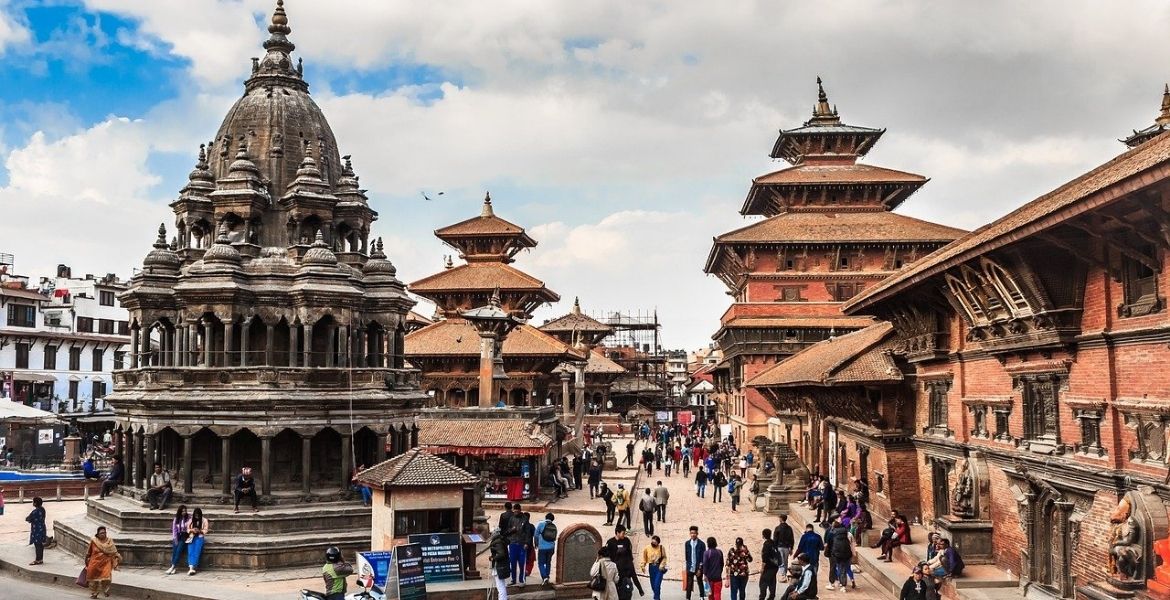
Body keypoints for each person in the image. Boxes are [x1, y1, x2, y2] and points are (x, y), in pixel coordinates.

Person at [605, 525, 643, 597]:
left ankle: (640, 589)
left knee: (630, 580)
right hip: (616, 568)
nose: (624, 535)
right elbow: (607, 555)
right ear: (617, 533)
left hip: (627, 566)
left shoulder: (626, 540)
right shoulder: (610, 542)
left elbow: (629, 551)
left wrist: (630, 561)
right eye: (623, 533)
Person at [84, 526, 121, 599]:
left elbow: (114, 551)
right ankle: (94, 593)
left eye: (104, 532)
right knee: (93, 580)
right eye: (101, 533)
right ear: (97, 534)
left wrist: (117, 558)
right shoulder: (94, 541)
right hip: (94, 563)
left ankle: (105, 590)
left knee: (106, 578)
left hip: (106, 563)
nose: (103, 534)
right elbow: (89, 552)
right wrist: (86, 560)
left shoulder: (109, 541)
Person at [507, 503, 530, 586]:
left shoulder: (525, 519)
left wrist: (527, 543)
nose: (515, 511)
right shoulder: (511, 518)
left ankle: (522, 580)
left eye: (517, 510)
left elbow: (528, 533)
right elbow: (507, 531)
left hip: (522, 543)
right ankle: (513, 579)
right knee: (512, 562)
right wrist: (511, 530)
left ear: (520, 510)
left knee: (521, 562)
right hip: (513, 543)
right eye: (514, 510)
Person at [641, 535, 668, 600]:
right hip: (651, 568)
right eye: (652, 542)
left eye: (655, 543)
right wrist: (643, 566)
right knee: (653, 586)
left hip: (659, 568)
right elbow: (644, 558)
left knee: (656, 585)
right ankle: (657, 595)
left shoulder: (661, 548)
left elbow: (664, 557)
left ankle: (656, 598)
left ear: (658, 543)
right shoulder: (647, 548)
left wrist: (662, 565)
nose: (653, 544)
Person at [684, 526, 708, 600]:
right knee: (689, 583)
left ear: (697, 533)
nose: (693, 535)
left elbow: (703, 558)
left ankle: (702, 596)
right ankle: (688, 598)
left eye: (694, 533)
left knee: (699, 582)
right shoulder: (687, 543)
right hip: (690, 567)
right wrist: (687, 566)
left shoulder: (701, 544)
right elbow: (687, 556)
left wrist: (700, 569)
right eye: (691, 533)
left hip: (698, 567)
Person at [166, 505, 191, 575]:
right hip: (177, 536)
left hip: (184, 536)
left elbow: (190, 527)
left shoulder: (189, 518)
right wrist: (175, 539)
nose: (184, 512)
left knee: (179, 551)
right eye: (183, 511)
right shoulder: (176, 519)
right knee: (174, 551)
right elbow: (174, 530)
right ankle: (174, 568)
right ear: (180, 511)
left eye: (185, 511)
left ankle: (172, 566)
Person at [534, 512, 557, 585]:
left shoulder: (541, 524)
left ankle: (544, 577)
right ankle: (547, 576)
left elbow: (536, 535)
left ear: (545, 517)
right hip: (551, 547)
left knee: (541, 563)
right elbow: (554, 538)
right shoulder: (554, 526)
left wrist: (536, 544)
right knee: (548, 563)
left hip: (542, 548)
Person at [489, 527, 511, 600]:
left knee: (500, 585)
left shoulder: (497, 542)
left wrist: (493, 558)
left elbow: (501, 554)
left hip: (499, 566)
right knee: (501, 585)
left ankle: (502, 599)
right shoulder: (501, 540)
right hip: (502, 565)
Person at [187, 507, 209, 575]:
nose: (197, 517)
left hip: (199, 537)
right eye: (195, 515)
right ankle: (191, 567)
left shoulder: (204, 520)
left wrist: (200, 531)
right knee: (190, 551)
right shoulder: (191, 520)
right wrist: (192, 530)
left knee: (197, 551)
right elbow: (187, 528)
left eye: (198, 515)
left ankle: (193, 567)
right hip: (191, 537)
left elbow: (206, 530)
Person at [760, 528, 780, 600]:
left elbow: (764, 557)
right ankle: (772, 596)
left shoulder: (766, 545)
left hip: (768, 567)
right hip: (775, 566)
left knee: (763, 582)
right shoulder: (773, 543)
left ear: (763, 535)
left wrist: (762, 568)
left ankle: (762, 597)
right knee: (772, 581)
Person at [26, 496, 46, 565]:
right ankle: (41, 559)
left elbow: (28, 518)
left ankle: (38, 559)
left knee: (37, 544)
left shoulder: (35, 511)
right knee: (40, 544)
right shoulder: (42, 509)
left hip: (36, 529)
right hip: (42, 527)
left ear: (35, 503)